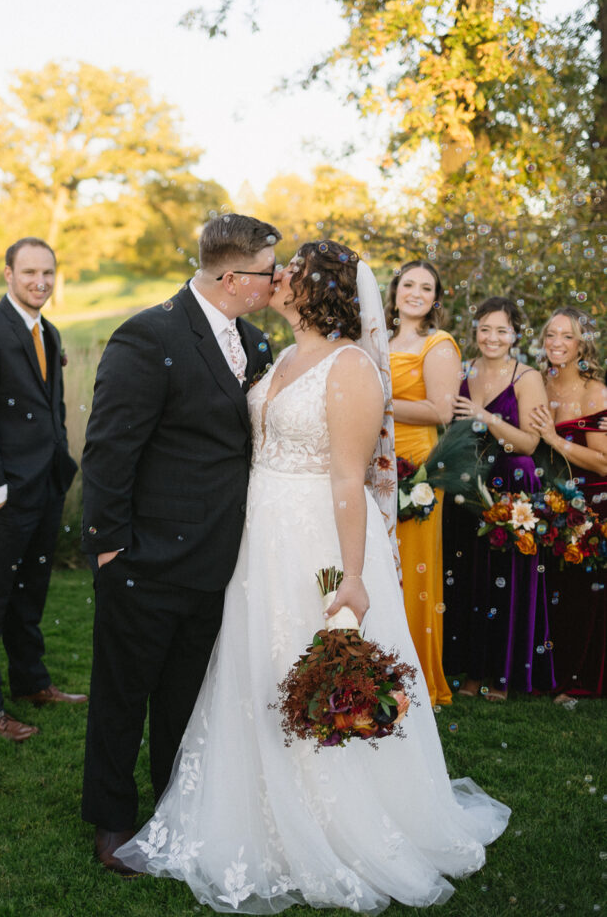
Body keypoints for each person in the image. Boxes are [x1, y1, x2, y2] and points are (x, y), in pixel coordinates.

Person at [115, 241, 510, 911]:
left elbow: (347, 479)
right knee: (253, 665)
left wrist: (352, 577)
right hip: (257, 538)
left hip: (314, 544)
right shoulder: (284, 357)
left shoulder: (352, 366)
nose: (278, 277)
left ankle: (333, 818)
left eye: (290, 271)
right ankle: (250, 801)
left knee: (305, 661)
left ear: (316, 288)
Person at [80, 213, 282, 875]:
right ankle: (111, 821)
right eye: (267, 270)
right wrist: (110, 550)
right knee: (122, 698)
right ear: (231, 276)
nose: (275, 280)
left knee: (185, 701)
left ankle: (174, 809)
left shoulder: (253, 341)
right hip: (145, 560)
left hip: (219, 563)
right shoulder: (149, 335)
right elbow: (110, 451)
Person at [0, 238, 84, 744]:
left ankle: (32, 684)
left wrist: (61, 470)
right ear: (8, 274)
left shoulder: (46, 331)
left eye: (48, 272)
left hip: (45, 489)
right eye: (29, 272)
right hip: (4, 496)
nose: (40, 282)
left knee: (29, 597)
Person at [444, 298, 552, 701]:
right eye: (485, 328)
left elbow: (529, 441)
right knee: (471, 577)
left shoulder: (527, 378)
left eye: (502, 330)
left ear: (515, 335)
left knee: (506, 580)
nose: (492, 337)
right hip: (468, 482)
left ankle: (503, 674)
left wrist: (483, 415)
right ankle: (470, 672)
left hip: (511, 482)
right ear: (475, 331)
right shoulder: (460, 371)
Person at [385, 261, 461, 706]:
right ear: (395, 292)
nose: (415, 292)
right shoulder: (378, 341)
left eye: (426, 287)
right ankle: (374, 669)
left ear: (435, 299)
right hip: (373, 459)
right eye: (408, 284)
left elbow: (440, 412)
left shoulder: (438, 344)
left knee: (411, 568)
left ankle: (413, 678)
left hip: (416, 467)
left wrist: (380, 399)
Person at [529, 306, 607, 699]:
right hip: (547, 500)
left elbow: (604, 460)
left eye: (567, 336)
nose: (557, 343)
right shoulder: (536, 383)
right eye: (551, 335)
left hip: (591, 504)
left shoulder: (595, 392)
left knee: (577, 595)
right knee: (545, 590)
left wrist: (555, 440)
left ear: (581, 346)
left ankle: (575, 676)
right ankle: (541, 672)